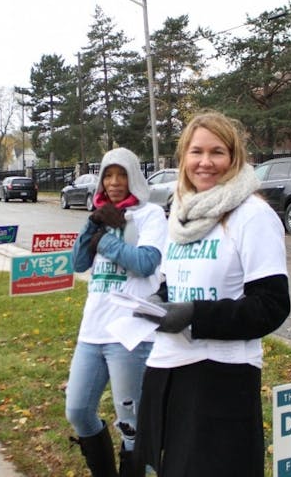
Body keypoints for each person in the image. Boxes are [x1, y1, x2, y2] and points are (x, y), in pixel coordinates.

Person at [134, 111, 291, 477]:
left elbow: (271, 305)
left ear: (233, 158)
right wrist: (159, 299)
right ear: (183, 158)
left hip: (220, 376)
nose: (205, 162)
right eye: (196, 152)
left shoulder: (252, 216)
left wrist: (195, 315)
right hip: (166, 366)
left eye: (217, 152)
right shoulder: (181, 214)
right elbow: (175, 280)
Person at [66, 148, 167, 477]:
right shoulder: (100, 214)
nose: (114, 182)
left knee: (130, 423)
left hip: (129, 333)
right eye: (108, 175)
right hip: (92, 330)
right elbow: (78, 263)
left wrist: (105, 242)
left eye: (121, 174)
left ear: (134, 177)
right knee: (78, 410)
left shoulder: (150, 214)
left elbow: (145, 263)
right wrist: (92, 225)